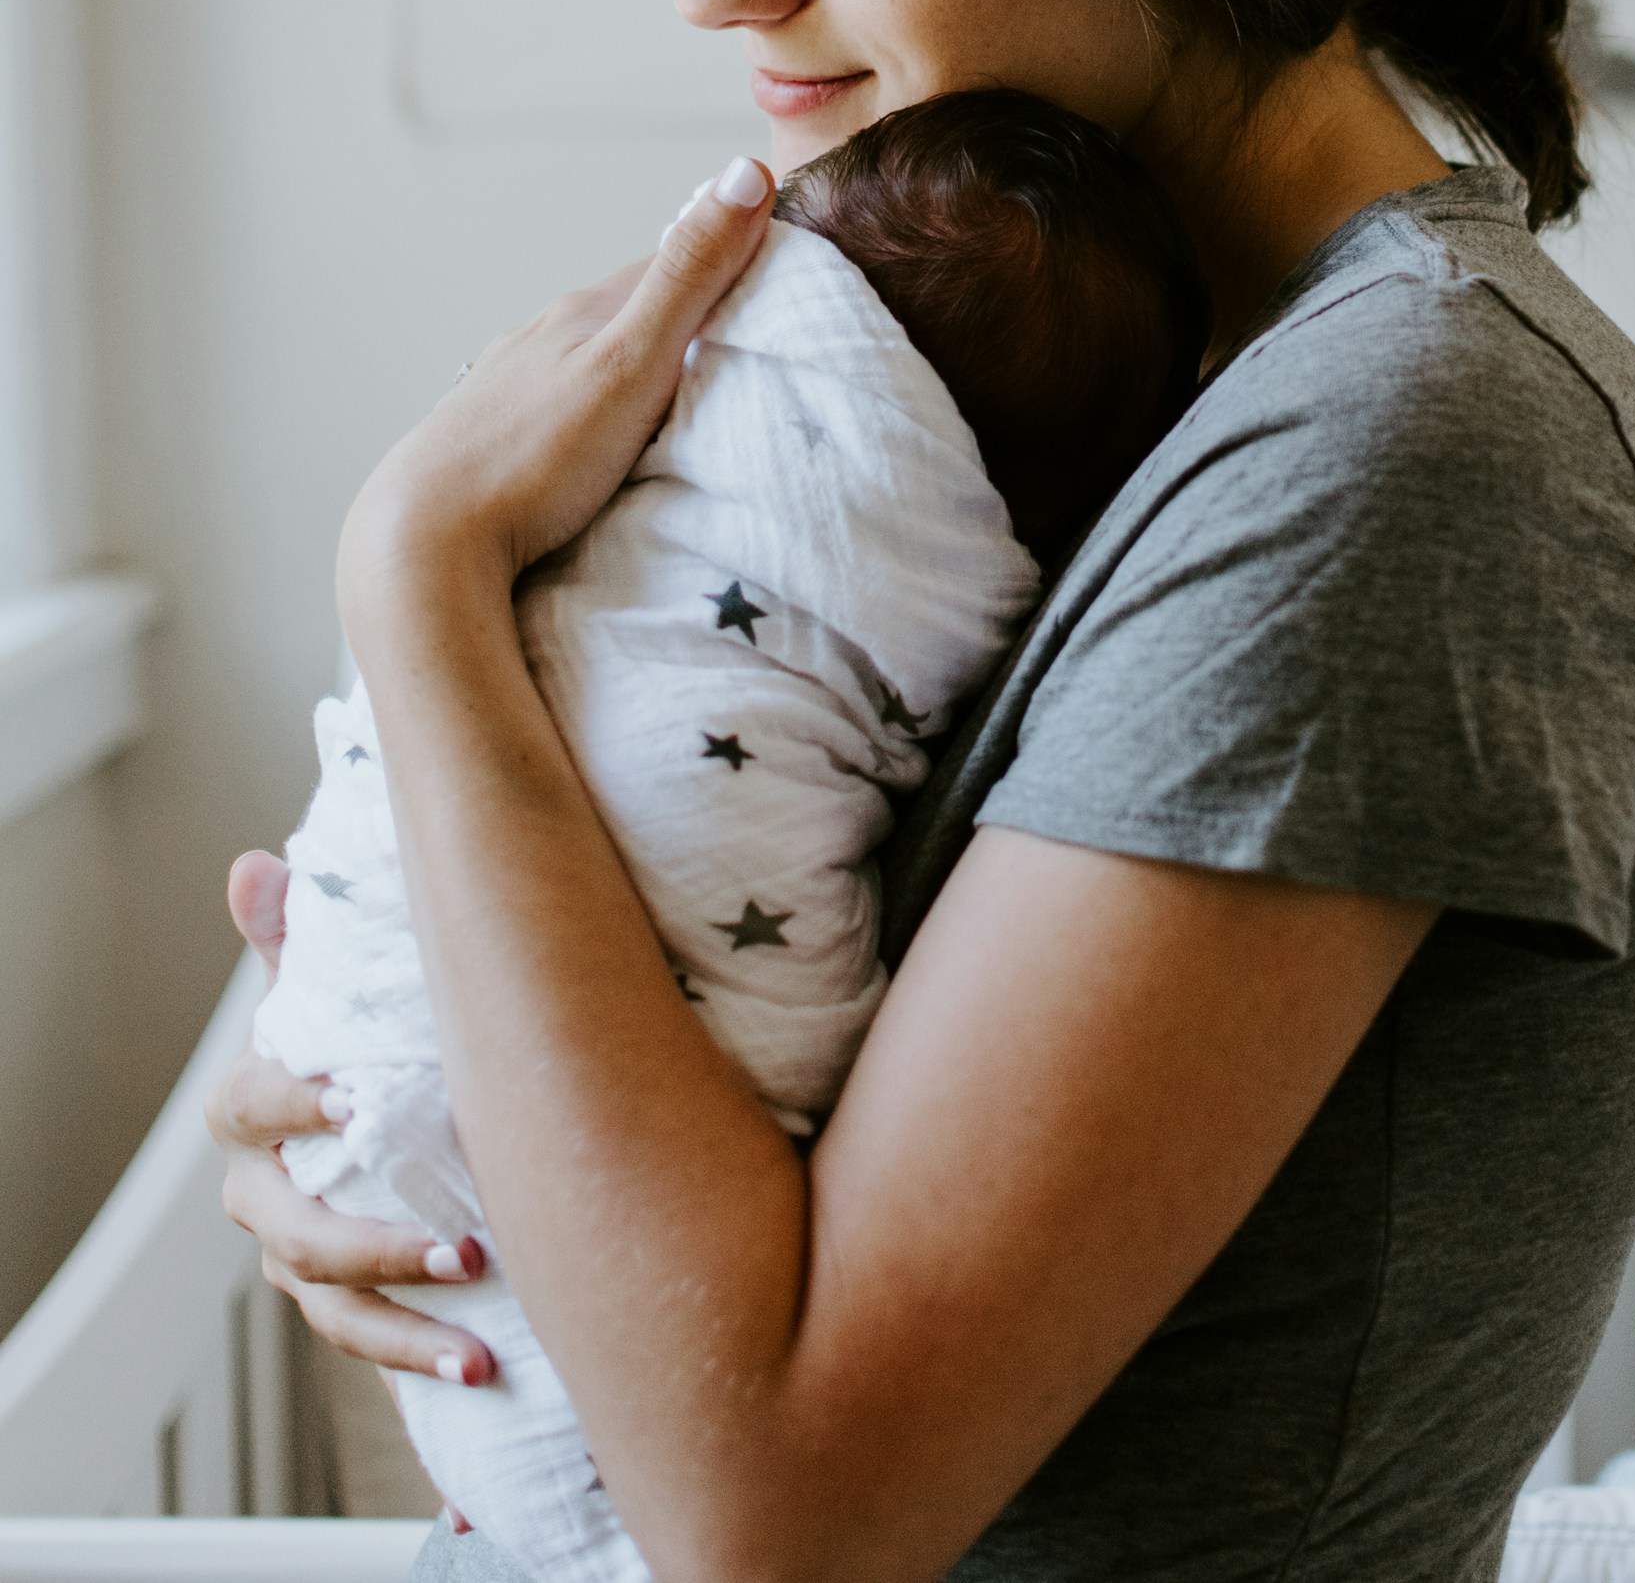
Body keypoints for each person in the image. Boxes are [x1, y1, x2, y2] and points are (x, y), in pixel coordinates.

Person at [208, 0, 1635, 1583]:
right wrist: (394, 1110)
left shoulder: (1408, 452)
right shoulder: (1059, 406)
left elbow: (780, 1507)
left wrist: (420, 599)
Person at [247, 91, 1207, 1577]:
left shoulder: (1293, 497)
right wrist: (359, 1018)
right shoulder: (956, 551)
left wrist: (418, 566)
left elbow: (750, 1519)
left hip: (637, 1445)